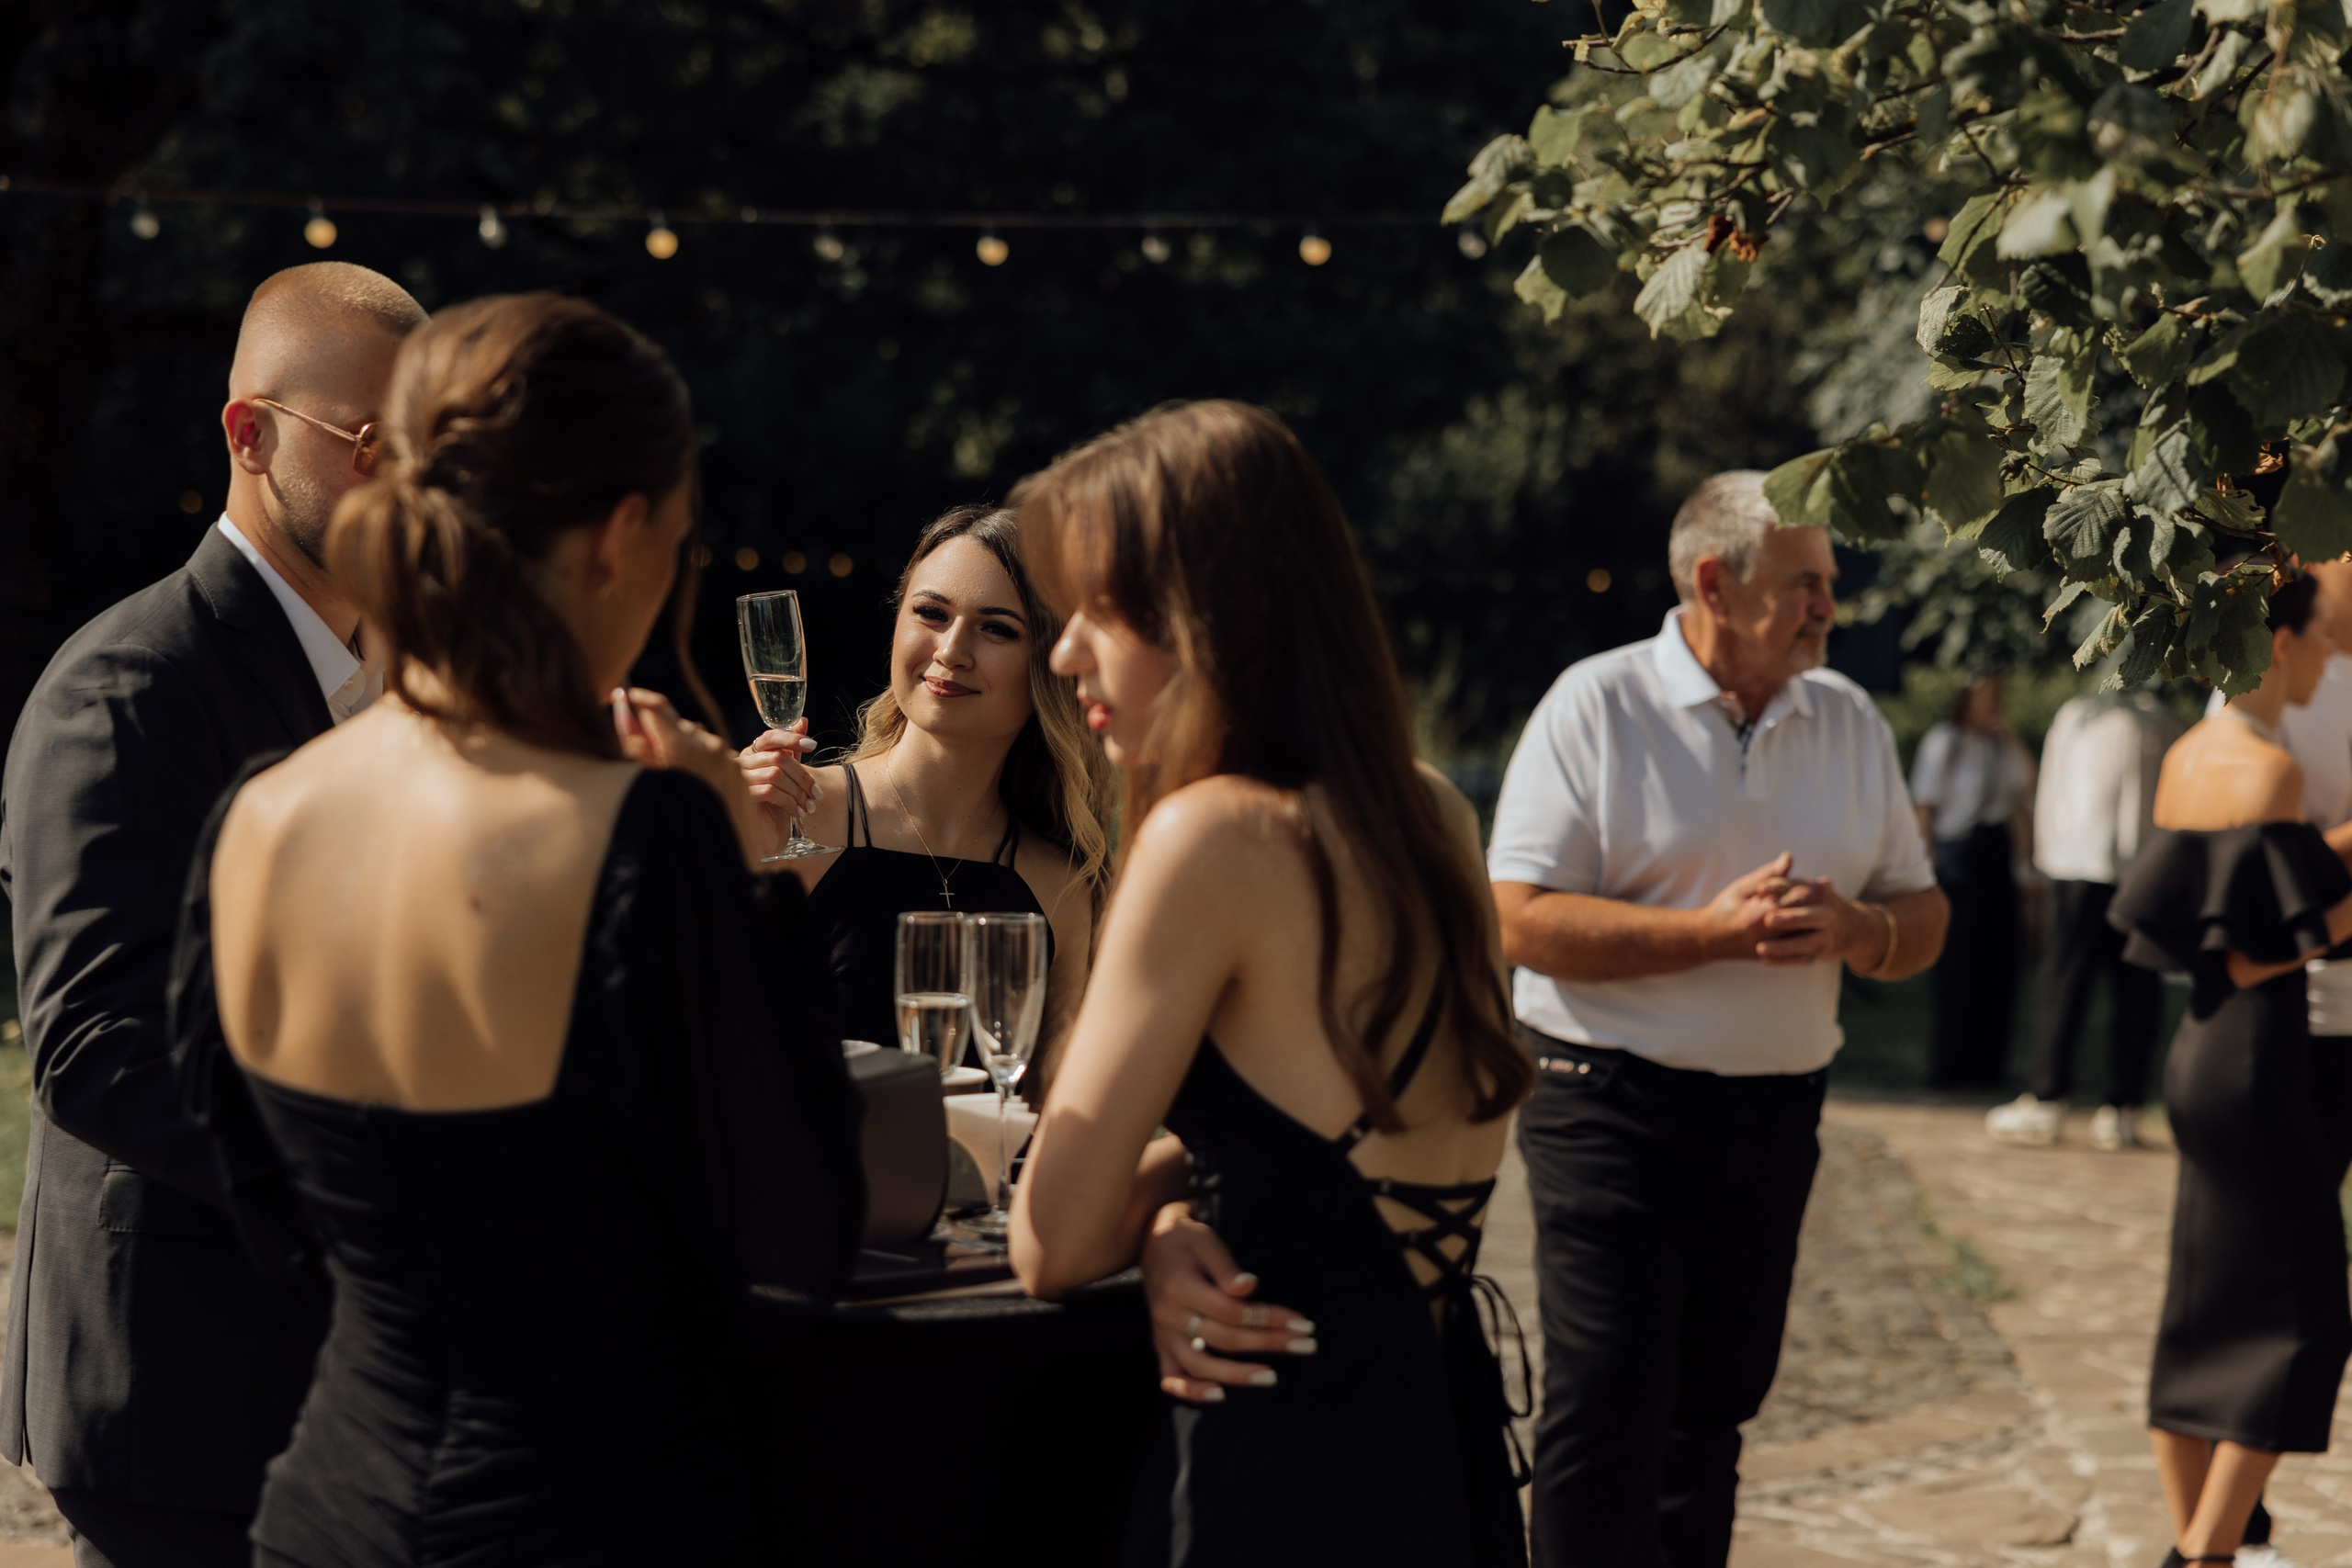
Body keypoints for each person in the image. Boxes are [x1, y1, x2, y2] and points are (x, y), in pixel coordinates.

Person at [171, 292, 865, 1566]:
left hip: (333, 1509)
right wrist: (747, 861)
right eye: (683, 545)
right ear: (621, 537)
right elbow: (798, 1247)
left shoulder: (255, 821)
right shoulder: (640, 836)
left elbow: (274, 1210)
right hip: (595, 1510)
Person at [1009, 400, 1533, 1567]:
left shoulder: (1213, 839)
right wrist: (1184, 1209)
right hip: (1436, 1449)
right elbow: (1326, 1174)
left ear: (1204, 617)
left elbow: (1047, 1241)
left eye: (1100, 610)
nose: (1063, 653)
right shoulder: (1429, 808)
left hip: (1285, 1464)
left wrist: (1152, 1217)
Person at [0, 262, 424, 1568]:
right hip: (182, 1384)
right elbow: (89, 1048)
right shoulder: (128, 686)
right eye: (374, 446)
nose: (412, 490)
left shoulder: (388, 681)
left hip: (339, 1385)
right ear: (250, 433)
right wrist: (374, 1172)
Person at [1487, 470, 1951, 1568]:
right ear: (1712, 581)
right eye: (1803, 584)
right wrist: (1712, 933)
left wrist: (1854, 932)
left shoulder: (1846, 718)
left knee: (1715, 1409)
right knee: (1609, 1399)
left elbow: (1922, 914)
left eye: (1827, 583)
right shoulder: (1593, 704)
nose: (1828, 606)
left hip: (1773, 1114)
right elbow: (1518, 919)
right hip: (1605, 1102)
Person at [2107, 570, 2352, 1568]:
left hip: (2196, 1053)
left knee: (2197, 1308)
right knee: (2304, 1311)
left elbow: (2189, 937)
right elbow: (2259, 948)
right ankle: (2204, 1555)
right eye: (2322, 640)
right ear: (2282, 642)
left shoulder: (2183, 755)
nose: (2331, 658)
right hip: (2261, 1052)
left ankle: (2196, 1541)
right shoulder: (2272, 773)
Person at [736, 505, 1111, 1081]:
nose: (952, 650)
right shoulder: (791, 819)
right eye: (931, 613)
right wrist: (721, 847)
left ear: (1050, 664)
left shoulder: (1058, 886)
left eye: (997, 628)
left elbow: (1053, 1118)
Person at [1985, 688, 2181, 1149]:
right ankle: (2093, 1103)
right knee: (2102, 984)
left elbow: (2052, 790)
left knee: (2100, 983)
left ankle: (2089, 1102)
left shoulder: (2096, 714)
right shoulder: (2100, 714)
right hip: (2106, 865)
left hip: (2100, 865)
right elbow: (2052, 789)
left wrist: (2045, 858)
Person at [1909, 674, 2036, 1089]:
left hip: (1995, 855)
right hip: (1958, 855)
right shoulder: (1945, 742)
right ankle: (1950, 1062)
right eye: (1987, 697)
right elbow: (1925, 807)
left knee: (1998, 962)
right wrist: (1926, 863)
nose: (1993, 704)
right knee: (1957, 963)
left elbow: (2027, 789)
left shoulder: (1999, 748)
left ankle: (1988, 1065)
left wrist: (2011, 736)